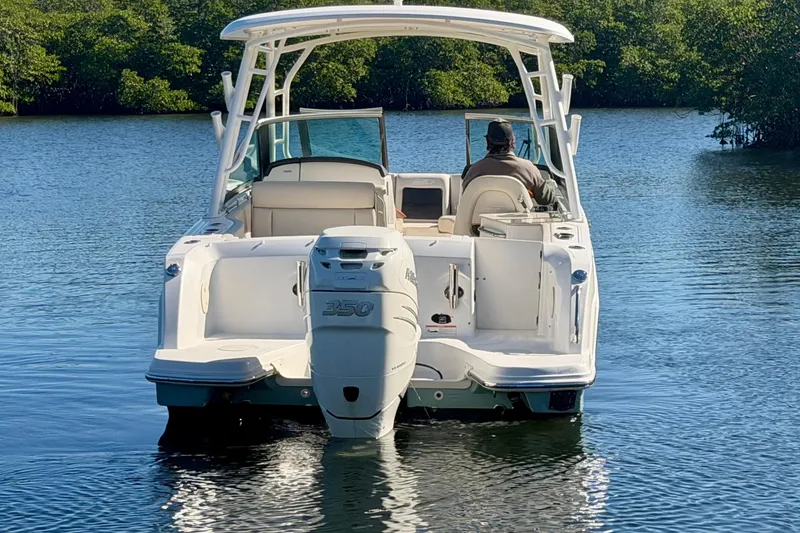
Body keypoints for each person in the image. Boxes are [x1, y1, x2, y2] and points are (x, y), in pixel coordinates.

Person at [462, 119, 556, 206]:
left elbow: (465, 201)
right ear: (513, 141)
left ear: (487, 141)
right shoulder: (528, 169)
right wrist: (551, 186)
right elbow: (545, 200)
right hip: (518, 223)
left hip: (479, 223)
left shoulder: (474, 171)